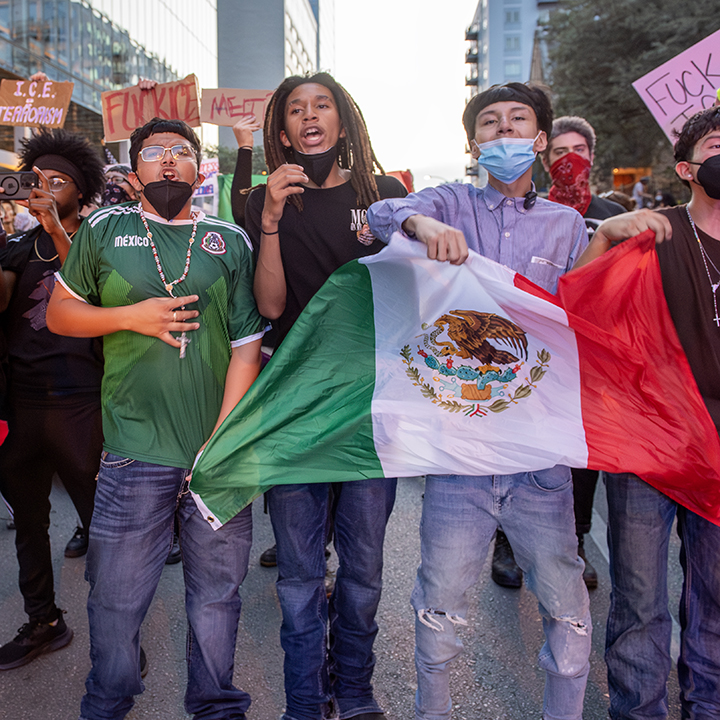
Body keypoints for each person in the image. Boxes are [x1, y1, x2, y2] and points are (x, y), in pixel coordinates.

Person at [367, 81, 591, 720]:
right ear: (473, 143)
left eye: (517, 122)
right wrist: (421, 222)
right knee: (438, 607)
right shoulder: (450, 203)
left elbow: (587, 312)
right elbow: (383, 215)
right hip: (457, 455)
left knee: (567, 611)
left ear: (539, 139)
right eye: (489, 125)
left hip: (540, 462)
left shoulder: (567, 226)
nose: (503, 133)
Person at [46, 117, 266, 720]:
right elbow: (62, 317)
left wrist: (222, 436)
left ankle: (217, 706)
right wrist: (131, 317)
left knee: (217, 598)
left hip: (220, 454)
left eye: (180, 152)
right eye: (153, 153)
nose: (167, 162)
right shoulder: (103, 229)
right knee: (116, 600)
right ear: (135, 168)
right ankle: (108, 704)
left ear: (199, 168)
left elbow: (248, 341)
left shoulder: (230, 239)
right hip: (133, 451)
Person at [246, 72, 407, 720]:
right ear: (282, 131)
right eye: (295, 109)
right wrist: (273, 218)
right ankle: (306, 703)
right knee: (299, 580)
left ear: (344, 120)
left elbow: (413, 297)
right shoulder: (262, 199)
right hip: (294, 413)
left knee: (363, 575)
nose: (310, 117)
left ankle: (358, 689)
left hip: (371, 414)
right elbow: (270, 305)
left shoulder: (386, 196)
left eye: (322, 105)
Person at [572, 105, 720, 720]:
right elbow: (574, 308)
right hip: (650, 443)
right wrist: (605, 238)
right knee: (639, 598)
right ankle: (639, 710)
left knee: (715, 596)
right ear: (687, 167)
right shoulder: (652, 231)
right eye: (717, 144)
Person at [0, 128, 105, 670]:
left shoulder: (97, 240)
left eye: (57, 179)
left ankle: (116, 636)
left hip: (80, 404)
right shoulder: (16, 244)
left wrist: (57, 230)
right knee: (31, 521)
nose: (44, 186)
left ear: (81, 191)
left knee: (104, 530)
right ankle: (43, 620)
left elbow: (90, 288)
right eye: (36, 178)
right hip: (21, 403)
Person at [534, 114, 626, 591]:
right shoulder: (536, 211)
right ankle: (511, 541)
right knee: (531, 443)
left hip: (594, 353)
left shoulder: (614, 212)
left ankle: (577, 537)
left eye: (579, 152)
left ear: (592, 156)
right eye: (559, 154)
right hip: (543, 347)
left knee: (581, 454)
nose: (569, 161)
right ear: (545, 159)